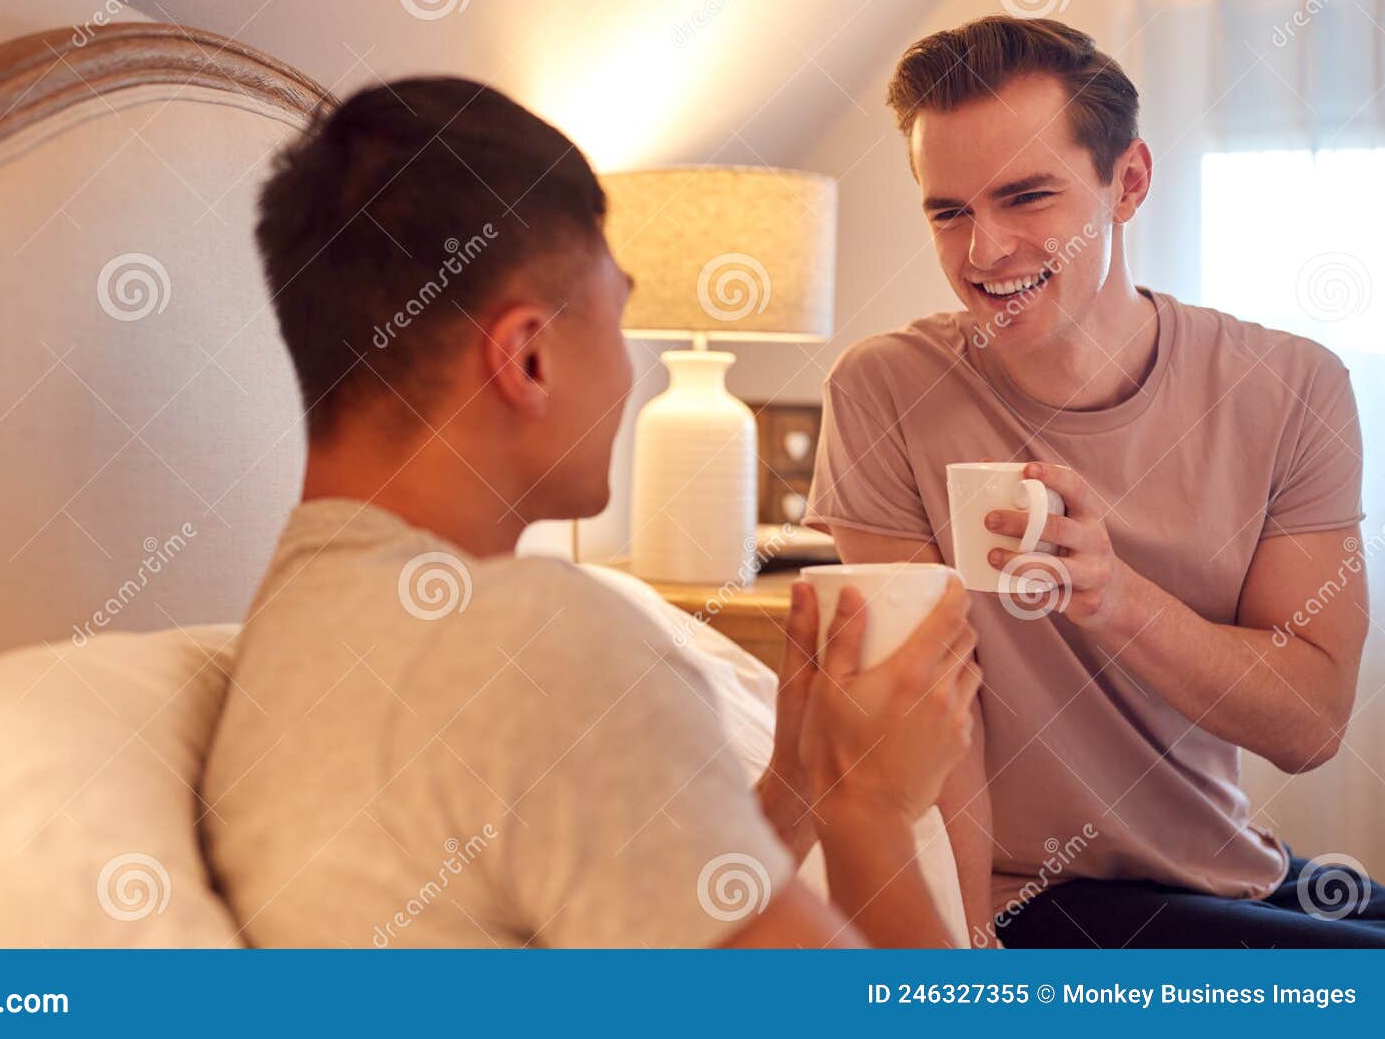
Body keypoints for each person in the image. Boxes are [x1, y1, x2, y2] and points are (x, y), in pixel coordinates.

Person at [202, 76, 981, 948]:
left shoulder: (304, 614)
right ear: (528, 358)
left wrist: (798, 786)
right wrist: (868, 804)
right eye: (620, 315)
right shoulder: (531, 640)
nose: (623, 369)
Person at [806, 15, 1380, 947]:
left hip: (1231, 870)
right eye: (948, 211)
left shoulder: (1292, 386)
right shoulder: (884, 391)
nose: (983, 251)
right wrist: (962, 951)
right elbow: (928, 710)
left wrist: (1112, 597)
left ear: (1130, 183)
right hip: (1029, 896)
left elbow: (1310, 724)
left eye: (1026, 197)